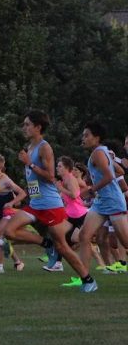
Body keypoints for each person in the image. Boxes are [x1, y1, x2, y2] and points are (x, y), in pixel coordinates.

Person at [0, 110, 95, 292]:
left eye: (27, 124)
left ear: (38, 127)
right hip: (35, 204)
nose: (23, 127)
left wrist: (30, 163)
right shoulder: (30, 147)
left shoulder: (44, 147)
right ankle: (46, 244)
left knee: (63, 247)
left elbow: (50, 176)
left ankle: (88, 280)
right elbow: (33, 180)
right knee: (10, 231)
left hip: (50, 205)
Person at [75, 122, 128, 286]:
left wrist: (91, 190)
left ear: (97, 138)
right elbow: (119, 171)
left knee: (125, 242)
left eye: (87, 135)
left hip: (112, 201)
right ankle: (85, 279)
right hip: (101, 202)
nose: (83, 138)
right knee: (84, 236)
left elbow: (110, 177)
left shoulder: (98, 153)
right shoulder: (102, 152)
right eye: (83, 135)